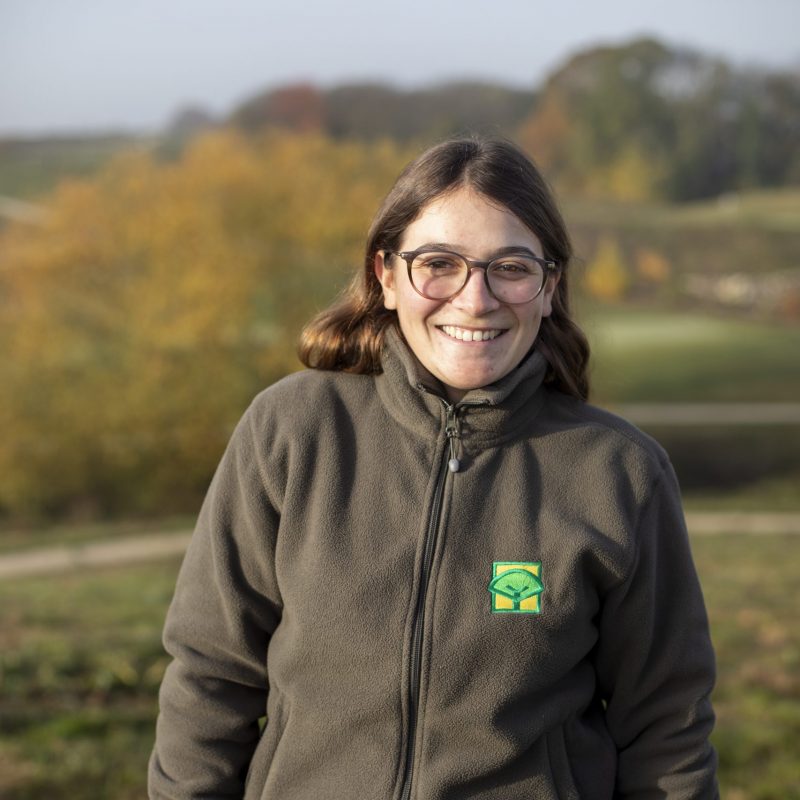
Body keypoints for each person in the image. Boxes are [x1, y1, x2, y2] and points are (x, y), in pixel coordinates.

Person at [149, 136, 718, 799]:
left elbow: (666, 726)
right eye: (439, 263)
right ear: (386, 276)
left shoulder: (620, 473)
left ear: (549, 287)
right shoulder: (293, 431)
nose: (475, 300)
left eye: (510, 266)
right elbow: (210, 678)